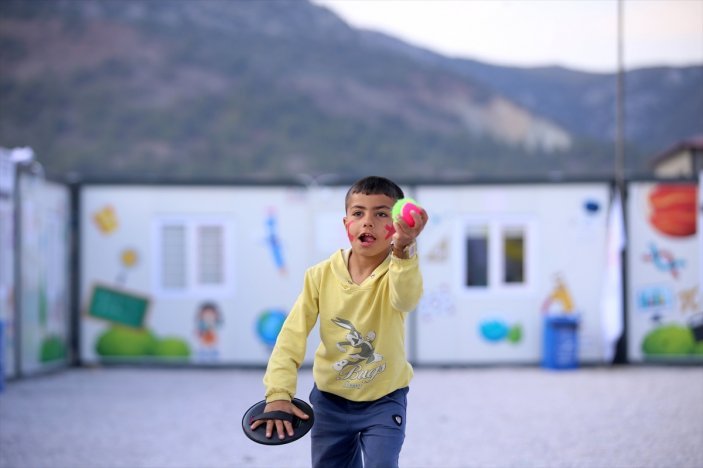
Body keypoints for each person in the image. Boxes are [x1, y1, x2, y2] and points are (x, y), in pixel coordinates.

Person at [250, 175, 428, 467]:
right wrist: (279, 393)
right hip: (330, 402)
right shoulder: (319, 276)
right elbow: (291, 336)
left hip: (384, 400)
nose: (367, 222)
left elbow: (406, 300)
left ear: (394, 227)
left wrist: (404, 249)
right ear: (346, 225)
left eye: (381, 213)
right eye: (358, 213)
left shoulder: (398, 271)